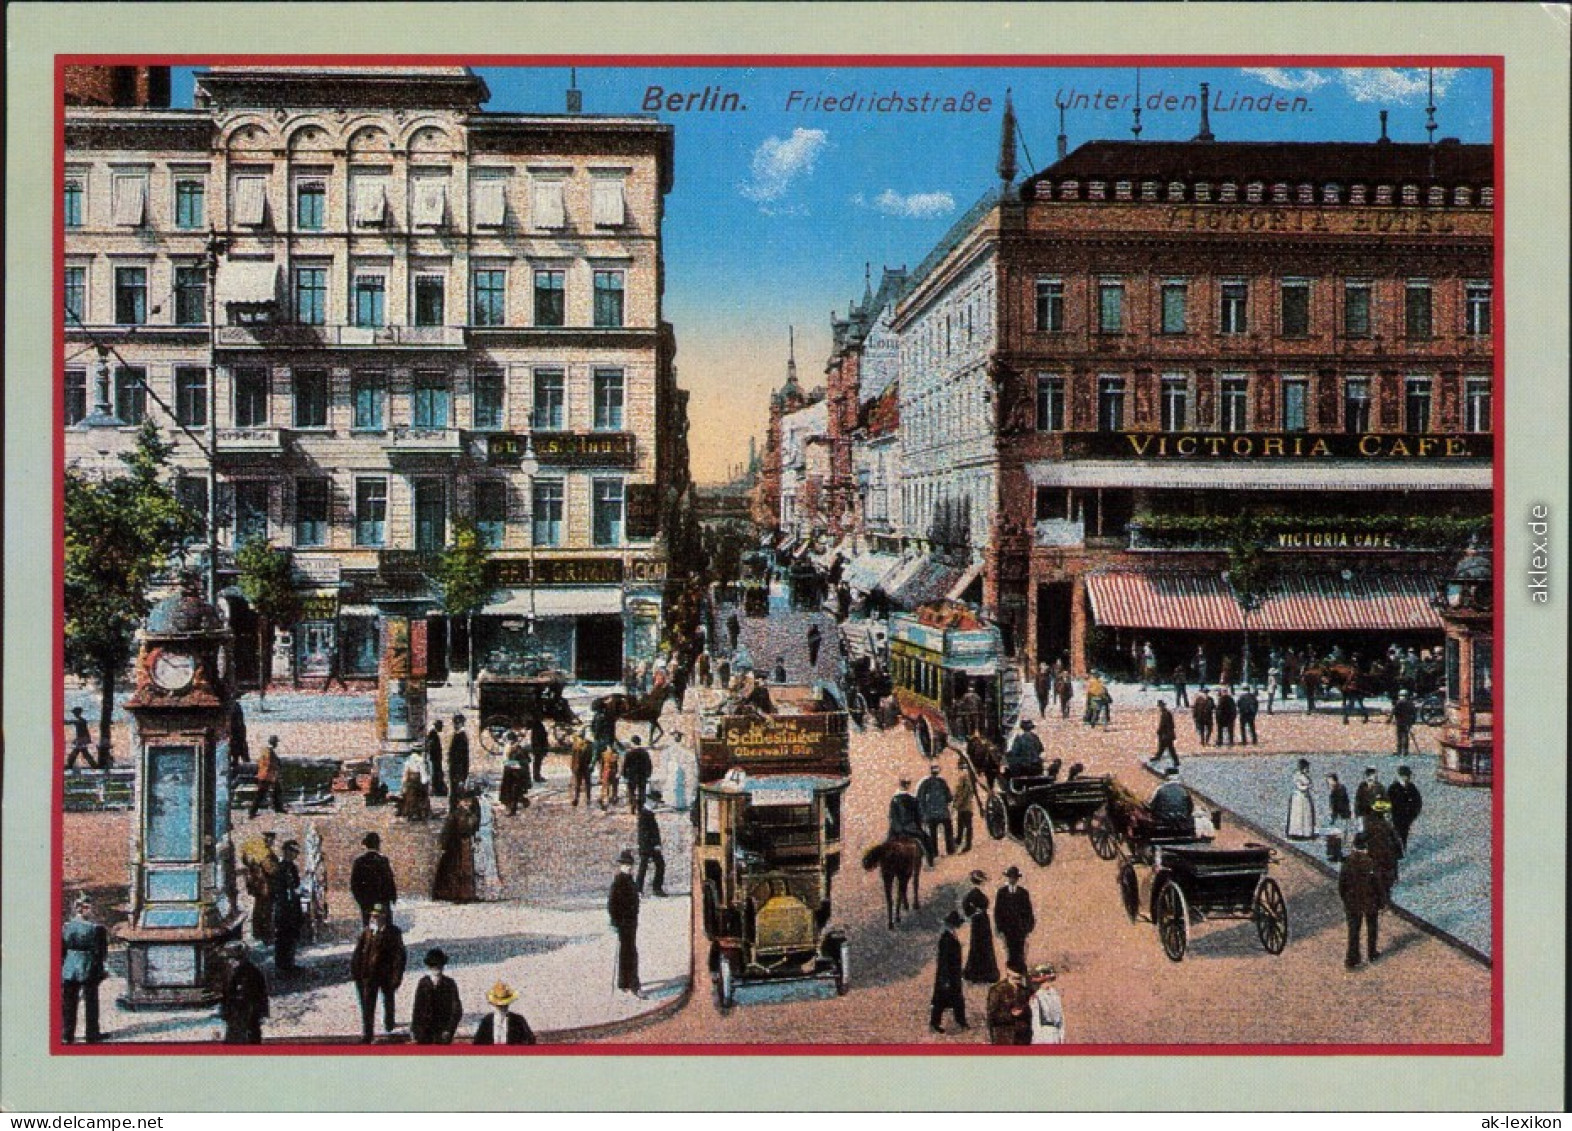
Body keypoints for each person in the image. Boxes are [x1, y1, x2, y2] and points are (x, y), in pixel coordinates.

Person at [351, 904, 406, 1043]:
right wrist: (356, 973)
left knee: (388, 998)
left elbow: (400, 956)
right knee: (367, 1004)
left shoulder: (393, 933)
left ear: (384, 917)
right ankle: (367, 1033)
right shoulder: (366, 933)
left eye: (377, 916)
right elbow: (357, 954)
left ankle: (389, 1021)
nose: (374, 918)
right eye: (372, 916)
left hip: (386, 975)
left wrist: (396, 976)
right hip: (368, 976)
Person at [60, 893, 108, 1044]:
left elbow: (62, 950)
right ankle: (92, 1035)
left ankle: (67, 1035)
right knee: (91, 1002)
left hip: (69, 967)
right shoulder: (97, 929)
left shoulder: (66, 927)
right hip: (89, 967)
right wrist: (101, 970)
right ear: (85, 909)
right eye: (89, 908)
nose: (91, 911)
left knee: (68, 1003)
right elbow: (101, 953)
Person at [1339, 833, 1385, 968]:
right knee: (1372, 927)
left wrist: (1346, 900)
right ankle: (1372, 953)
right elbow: (1378, 885)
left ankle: (1352, 958)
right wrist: (1381, 902)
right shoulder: (1371, 863)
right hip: (1370, 901)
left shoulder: (1347, 862)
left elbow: (1342, 885)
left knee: (1353, 931)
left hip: (1352, 902)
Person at [433, 790, 481, 903]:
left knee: (467, 869)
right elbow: (447, 831)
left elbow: (474, 828)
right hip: (455, 845)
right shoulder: (456, 814)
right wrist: (444, 845)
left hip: (466, 843)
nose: (468, 803)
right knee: (456, 870)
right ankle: (456, 894)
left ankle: (467, 894)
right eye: (465, 801)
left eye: (469, 801)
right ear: (459, 802)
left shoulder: (472, 813)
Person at [219, 941, 269, 1044]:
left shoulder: (249, 972)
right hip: (236, 1017)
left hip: (246, 1016)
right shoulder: (232, 972)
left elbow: (255, 996)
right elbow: (227, 994)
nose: (229, 961)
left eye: (231, 958)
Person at [411, 948, 463, 1045]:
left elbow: (457, 1010)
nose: (436, 968)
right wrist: (415, 1030)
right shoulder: (423, 983)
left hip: (443, 1033)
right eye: (433, 965)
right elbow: (417, 1009)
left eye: (439, 965)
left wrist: (449, 1030)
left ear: (443, 966)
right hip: (424, 1033)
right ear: (429, 967)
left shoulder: (450, 984)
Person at [929, 910, 970, 1034]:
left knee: (956, 999)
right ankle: (935, 1022)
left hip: (953, 975)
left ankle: (960, 1020)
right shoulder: (946, 939)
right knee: (942, 1001)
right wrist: (945, 979)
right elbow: (944, 962)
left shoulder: (951, 936)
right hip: (948, 976)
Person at [608, 850, 642, 996]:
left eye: (630, 865)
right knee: (630, 952)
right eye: (625, 865)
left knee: (626, 951)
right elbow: (612, 904)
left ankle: (624, 982)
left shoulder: (630, 880)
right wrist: (615, 921)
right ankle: (634, 985)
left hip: (631, 922)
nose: (628, 867)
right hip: (624, 922)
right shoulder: (619, 881)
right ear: (620, 866)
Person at [994, 866, 1037, 973]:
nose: (1013, 879)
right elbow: (998, 911)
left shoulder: (1023, 893)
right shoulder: (1002, 892)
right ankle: (1011, 968)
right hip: (1007, 927)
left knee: (1020, 947)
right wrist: (999, 926)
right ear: (1008, 878)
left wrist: (1028, 926)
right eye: (1011, 877)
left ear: (1017, 879)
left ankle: (1020, 968)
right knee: (1009, 947)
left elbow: (1028, 910)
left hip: (1020, 927)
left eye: (1014, 878)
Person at [350, 832, 397, 926]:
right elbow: (389, 880)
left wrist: (360, 900)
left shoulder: (359, 862)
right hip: (381, 901)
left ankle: (368, 938)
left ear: (366, 845)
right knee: (385, 926)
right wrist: (393, 896)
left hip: (366, 902)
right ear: (378, 845)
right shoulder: (383, 861)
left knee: (367, 925)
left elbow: (354, 884)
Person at [272, 839, 305, 972]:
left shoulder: (292, 867)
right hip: (284, 907)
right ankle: (282, 965)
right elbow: (279, 889)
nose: (295, 855)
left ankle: (290, 963)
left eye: (296, 852)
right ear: (286, 851)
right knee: (283, 936)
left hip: (293, 906)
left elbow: (296, 884)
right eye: (293, 851)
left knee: (292, 935)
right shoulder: (280, 868)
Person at [962, 870, 1000, 984]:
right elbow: (966, 907)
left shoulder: (977, 893)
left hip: (982, 921)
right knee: (980, 944)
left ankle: (983, 972)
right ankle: (979, 972)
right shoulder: (974, 893)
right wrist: (975, 912)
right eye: (982, 881)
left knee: (983, 944)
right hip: (979, 921)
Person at [916, 763, 955, 864]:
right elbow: (949, 797)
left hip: (931, 813)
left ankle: (935, 853)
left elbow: (920, 799)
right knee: (948, 832)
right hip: (942, 813)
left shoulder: (926, 782)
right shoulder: (942, 782)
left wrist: (923, 812)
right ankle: (950, 850)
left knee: (933, 834)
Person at [986, 965, 1032, 1045]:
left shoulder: (1025, 991)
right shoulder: (997, 990)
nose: (1018, 980)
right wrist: (1010, 1015)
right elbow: (992, 1016)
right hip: (1004, 1037)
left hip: (1022, 1038)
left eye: (1019, 977)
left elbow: (1030, 1015)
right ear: (1008, 972)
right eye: (1015, 977)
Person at [1365, 799, 1403, 897]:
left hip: (1375, 851)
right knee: (1388, 870)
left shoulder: (1369, 823)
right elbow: (1395, 839)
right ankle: (1386, 890)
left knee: (1379, 869)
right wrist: (1399, 852)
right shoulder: (1387, 826)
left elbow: (1364, 837)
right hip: (1387, 852)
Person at [637, 790, 667, 896]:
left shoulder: (647, 812)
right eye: (656, 802)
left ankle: (642, 889)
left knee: (645, 867)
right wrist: (655, 845)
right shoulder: (645, 813)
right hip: (648, 846)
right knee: (654, 865)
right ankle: (653, 888)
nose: (657, 805)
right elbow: (646, 832)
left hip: (648, 845)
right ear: (651, 802)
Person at [1387, 766, 1424, 850]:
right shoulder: (1393, 788)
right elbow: (1387, 801)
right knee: (1395, 834)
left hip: (1407, 817)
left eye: (1407, 776)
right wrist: (1390, 813)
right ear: (1399, 776)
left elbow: (1417, 802)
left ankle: (1402, 849)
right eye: (1403, 776)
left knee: (1404, 834)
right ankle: (1395, 851)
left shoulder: (1411, 787)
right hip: (1395, 816)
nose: (1405, 778)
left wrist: (1413, 813)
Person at [249, 735, 286, 817]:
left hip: (266, 775)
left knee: (277, 790)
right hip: (267, 776)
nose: (277, 744)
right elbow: (270, 763)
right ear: (274, 742)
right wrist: (276, 767)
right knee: (260, 794)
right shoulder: (270, 751)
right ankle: (252, 812)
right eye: (276, 742)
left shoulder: (265, 750)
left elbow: (260, 762)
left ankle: (278, 808)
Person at [1028, 964, 1065, 1044]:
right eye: (1045, 981)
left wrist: (1061, 1036)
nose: (1048, 983)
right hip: (1044, 1034)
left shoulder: (1055, 995)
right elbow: (1036, 1022)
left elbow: (1061, 1018)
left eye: (1049, 980)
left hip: (1056, 1034)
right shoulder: (1037, 997)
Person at [499, 732, 530, 817]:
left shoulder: (518, 750)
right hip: (510, 773)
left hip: (516, 775)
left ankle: (513, 810)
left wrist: (510, 763)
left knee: (514, 792)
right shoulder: (509, 748)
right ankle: (523, 801)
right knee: (513, 792)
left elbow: (523, 763)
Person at [887, 778, 925, 846]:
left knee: (886, 846)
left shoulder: (895, 799)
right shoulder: (913, 800)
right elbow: (919, 816)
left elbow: (892, 816)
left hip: (896, 830)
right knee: (927, 842)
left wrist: (897, 828)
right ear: (908, 786)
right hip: (911, 829)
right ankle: (930, 855)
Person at [1285, 759, 1316, 840]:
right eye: (1306, 768)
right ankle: (1297, 832)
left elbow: (1310, 784)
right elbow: (1300, 787)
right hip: (1299, 798)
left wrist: (1309, 786)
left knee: (1306, 815)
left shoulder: (1306, 776)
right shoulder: (1297, 776)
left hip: (1305, 798)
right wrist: (1307, 787)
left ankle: (1306, 832)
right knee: (1298, 815)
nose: (1307, 770)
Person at [622, 735, 653, 814]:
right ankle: (640, 807)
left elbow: (625, 765)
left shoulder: (629, 753)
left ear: (632, 742)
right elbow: (649, 765)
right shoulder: (645, 753)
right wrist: (648, 774)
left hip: (631, 776)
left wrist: (624, 774)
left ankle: (632, 806)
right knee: (642, 792)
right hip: (642, 775)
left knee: (631, 791)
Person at [569, 728, 597, 809]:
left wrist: (592, 765)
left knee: (588, 783)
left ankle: (588, 799)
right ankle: (576, 798)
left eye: (582, 734)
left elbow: (592, 756)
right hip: (578, 766)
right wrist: (572, 767)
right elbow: (573, 757)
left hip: (586, 766)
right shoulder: (576, 745)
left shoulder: (589, 744)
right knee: (577, 783)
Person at [952, 761, 976, 854]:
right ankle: (959, 840)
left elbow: (964, 793)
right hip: (964, 807)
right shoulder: (965, 777)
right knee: (961, 825)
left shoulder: (965, 777)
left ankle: (967, 845)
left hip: (965, 807)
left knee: (967, 826)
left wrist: (957, 803)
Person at [447, 715, 472, 801]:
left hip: (458, 770)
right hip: (455, 769)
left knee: (457, 792)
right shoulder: (457, 735)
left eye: (457, 723)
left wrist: (462, 776)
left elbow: (463, 758)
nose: (455, 725)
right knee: (454, 791)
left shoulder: (461, 737)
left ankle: (455, 812)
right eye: (454, 723)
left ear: (461, 724)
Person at [425, 718, 448, 799]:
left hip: (435, 758)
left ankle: (438, 790)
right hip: (435, 759)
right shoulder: (433, 734)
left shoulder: (433, 733)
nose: (442, 728)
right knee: (436, 774)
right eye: (441, 726)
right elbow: (431, 747)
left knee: (437, 774)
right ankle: (437, 790)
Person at [1152, 700, 1179, 769]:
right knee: (1163, 747)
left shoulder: (1166, 713)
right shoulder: (1165, 713)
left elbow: (1166, 725)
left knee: (1170, 748)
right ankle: (1158, 757)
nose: (1160, 708)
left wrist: (1161, 731)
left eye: (1160, 706)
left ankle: (1176, 761)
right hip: (1165, 734)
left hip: (1166, 734)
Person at [1392, 690, 1418, 757]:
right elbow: (1414, 713)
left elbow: (1394, 711)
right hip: (1407, 722)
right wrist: (1413, 721)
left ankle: (1399, 751)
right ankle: (1405, 751)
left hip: (1400, 722)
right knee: (1405, 736)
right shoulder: (1410, 703)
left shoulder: (1399, 702)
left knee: (1399, 736)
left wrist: (1390, 719)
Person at [598, 737, 621, 812]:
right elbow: (619, 765)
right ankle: (612, 800)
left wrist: (600, 775)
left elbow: (601, 765)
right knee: (614, 788)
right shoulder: (615, 755)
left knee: (606, 788)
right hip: (613, 772)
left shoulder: (603, 754)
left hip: (606, 772)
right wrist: (618, 773)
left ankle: (605, 802)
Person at [528, 714, 551, 784]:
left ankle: (537, 776)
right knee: (537, 762)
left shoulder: (537, 725)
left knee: (537, 762)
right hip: (538, 747)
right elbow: (539, 737)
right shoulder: (538, 726)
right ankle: (537, 777)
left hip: (538, 747)